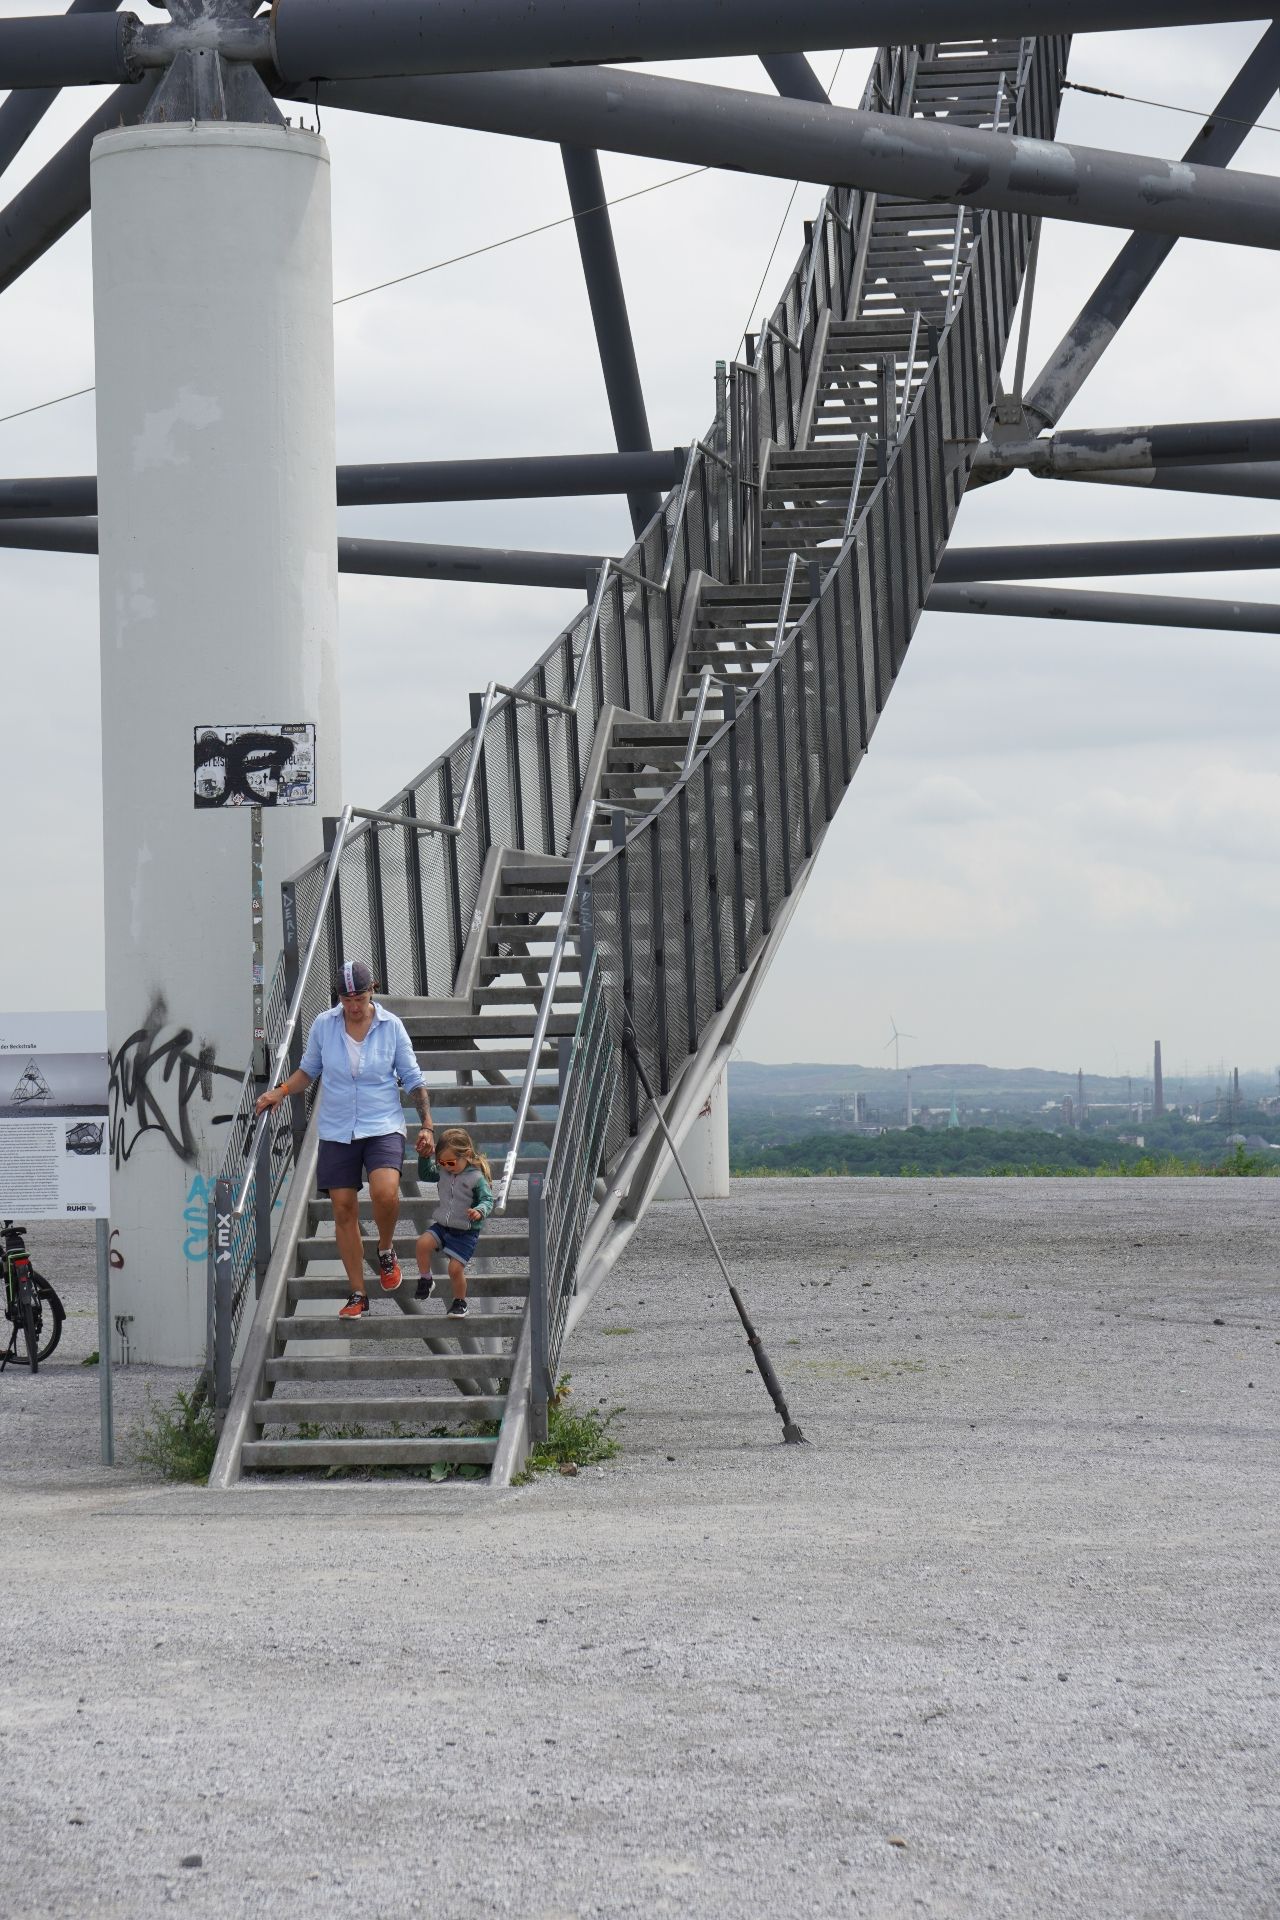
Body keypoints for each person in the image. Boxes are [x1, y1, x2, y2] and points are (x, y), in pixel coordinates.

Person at [255, 960, 434, 1319]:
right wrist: (280, 1091)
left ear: (373, 991)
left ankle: (385, 1250)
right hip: (338, 1128)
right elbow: (309, 1070)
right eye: (346, 998)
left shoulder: (391, 1027)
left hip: (382, 1123)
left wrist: (427, 1124)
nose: (353, 1006)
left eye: (359, 997)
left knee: (385, 1192)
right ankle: (357, 1293)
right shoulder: (325, 1024)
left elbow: (413, 1079)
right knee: (342, 1209)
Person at [414, 1126, 494, 1319]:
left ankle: (460, 1302)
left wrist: (479, 1211)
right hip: (442, 1225)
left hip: (464, 1231)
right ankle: (426, 1279)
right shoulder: (444, 1171)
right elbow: (425, 1175)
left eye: (450, 1162)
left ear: (466, 1154)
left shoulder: (476, 1178)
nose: (446, 1166)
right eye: (441, 1162)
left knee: (454, 1269)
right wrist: (424, 1157)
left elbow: (488, 1199)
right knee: (422, 1244)